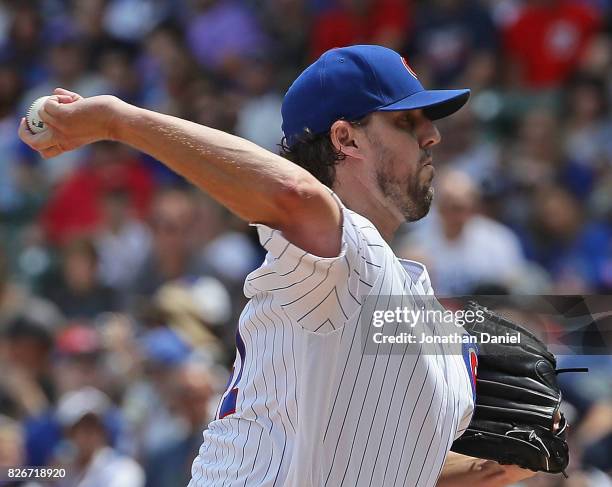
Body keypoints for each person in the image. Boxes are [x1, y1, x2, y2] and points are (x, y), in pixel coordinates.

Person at [20, 45, 539, 486]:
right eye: (407, 121)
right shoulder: (339, 251)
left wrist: (493, 467)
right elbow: (294, 194)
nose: (432, 136)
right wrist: (118, 121)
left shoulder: (417, 313)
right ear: (345, 139)